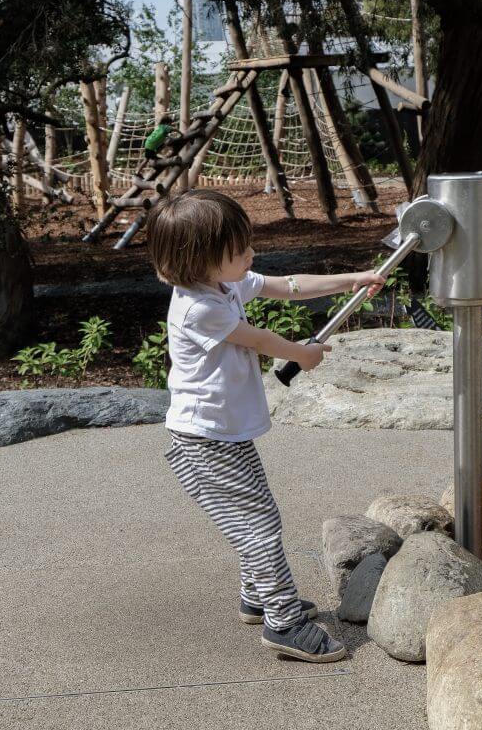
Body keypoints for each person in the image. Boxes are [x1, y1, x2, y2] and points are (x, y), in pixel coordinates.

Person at [146, 188, 385, 663]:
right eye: (239, 250)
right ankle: (284, 623)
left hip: (222, 435)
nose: (251, 254)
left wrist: (350, 280)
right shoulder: (198, 307)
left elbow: (289, 285)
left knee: (254, 518)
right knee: (258, 527)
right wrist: (303, 354)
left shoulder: (223, 283)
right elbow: (259, 339)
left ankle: (258, 598)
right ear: (200, 260)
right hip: (204, 440)